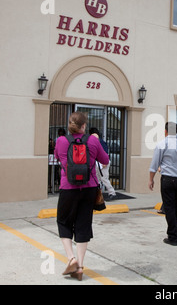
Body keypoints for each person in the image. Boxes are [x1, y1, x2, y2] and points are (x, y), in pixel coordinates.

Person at [55, 112, 109, 281]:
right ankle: (79, 267)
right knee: (83, 225)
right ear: (84, 125)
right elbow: (105, 160)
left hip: (68, 188)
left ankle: (71, 258)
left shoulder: (61, 141)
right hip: (89, 189)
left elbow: (58, 157)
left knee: (63, 221)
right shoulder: (93, 140)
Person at [149, 122, 177, 246]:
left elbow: (154, 165)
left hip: (168, 180)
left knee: (169, 207)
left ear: (165, 131)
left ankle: (173, 236)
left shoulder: (162, 144)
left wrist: (151, 179)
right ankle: (176, 232)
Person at [89, 127, 117, 201]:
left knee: (104, 178)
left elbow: (105, 153)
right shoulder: (99, 141)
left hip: (102, 163)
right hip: (99, 163)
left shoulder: (100, 142)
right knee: (98, 179)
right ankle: (98, 194)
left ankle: (112, 193)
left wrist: (104, 162)